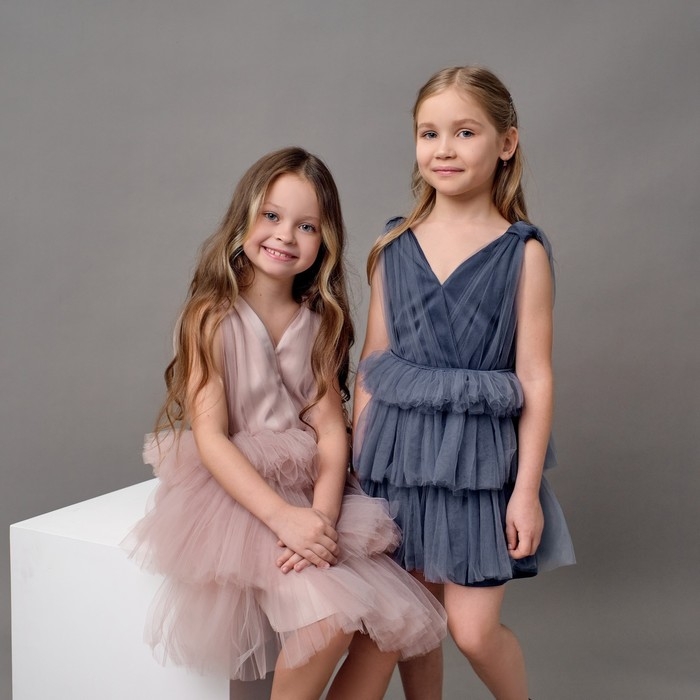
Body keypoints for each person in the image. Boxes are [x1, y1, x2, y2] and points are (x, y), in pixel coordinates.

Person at [126, 147, 446, 700]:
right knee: (329, 620)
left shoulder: (320, 321)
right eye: (271, 216)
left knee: (382, 623)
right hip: (239, 493)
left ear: (325, 242)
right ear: (244, 218)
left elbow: (331, 431)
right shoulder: (210, 316)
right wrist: (283, 518)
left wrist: (320, 517)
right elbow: (210, 437)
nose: (285, 235)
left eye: (306, 226)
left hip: (310, 486)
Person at [353, 66, 576, 700]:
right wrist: (358, 471)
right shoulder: (393, 245)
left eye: (465, 132)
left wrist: (525, 491)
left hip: (479, 468)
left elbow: (535, 376)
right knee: (404, 624)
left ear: (506, 142)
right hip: (396, 461)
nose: (444, 149)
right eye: (429, 133)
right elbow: (373, 362)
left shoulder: (522, 252)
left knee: (472, 631)